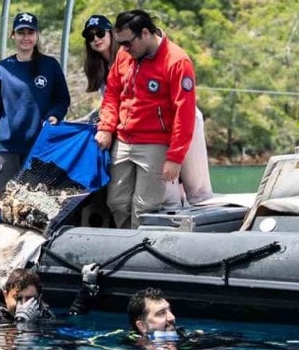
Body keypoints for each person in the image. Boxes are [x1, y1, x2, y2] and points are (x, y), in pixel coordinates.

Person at [82, 13, 213, 209]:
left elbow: (184, 114)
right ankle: (126, 237)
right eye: (121, 43)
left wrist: (175, 157)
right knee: (117, 202)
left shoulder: (177, 61)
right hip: (125, 138)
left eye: (127, 43)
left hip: (157, 138)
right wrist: (106, 127)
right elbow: (112, 94)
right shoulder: (124, 55)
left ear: (145, 33)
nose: (123, 48)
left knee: (146, 205)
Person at [0, 12, 71, 193]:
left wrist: (54, 115)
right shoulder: (2, 69)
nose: (26, 37)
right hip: (7, 149)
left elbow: (62, 99)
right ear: (13, 36)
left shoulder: (50, 65)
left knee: (37, 200)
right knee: (10, 200)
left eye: (30, 32)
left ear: (37, 36)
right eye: (21, 32)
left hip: (41, 146)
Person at [0, 265, 100, 326]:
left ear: (39, 298)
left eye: (30, 299)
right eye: (18, 298)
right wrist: (21, 321)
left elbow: (71, 317)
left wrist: (88, 285)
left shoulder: (42, 313)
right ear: (5, 295)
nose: (25, 305)